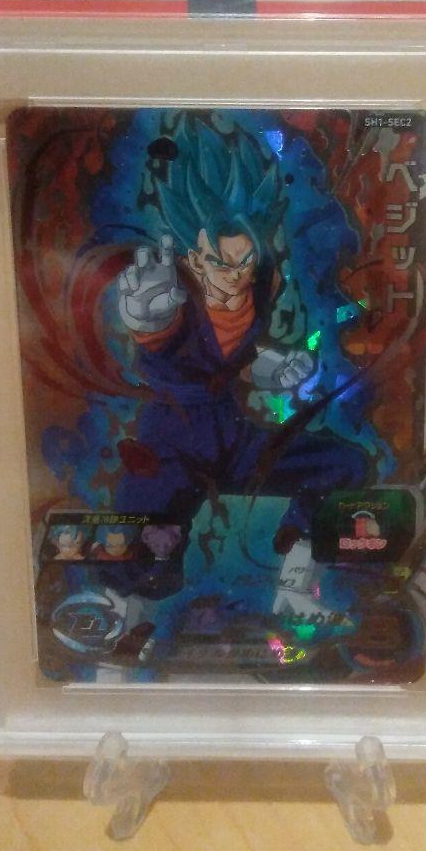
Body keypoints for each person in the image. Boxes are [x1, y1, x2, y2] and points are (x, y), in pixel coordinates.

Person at [114, 119, 371, 587]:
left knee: (344, 464)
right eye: (221, 262)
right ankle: (124, 607)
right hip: (174, 443)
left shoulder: (260, 285)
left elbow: (241, 360)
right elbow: (161, 349)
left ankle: (297, 556)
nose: (236, 275)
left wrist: (274, 367)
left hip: (234, 440)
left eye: (246, 260)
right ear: (194, 259)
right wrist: (146, 322)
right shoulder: (169, 295)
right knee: (143, 538)